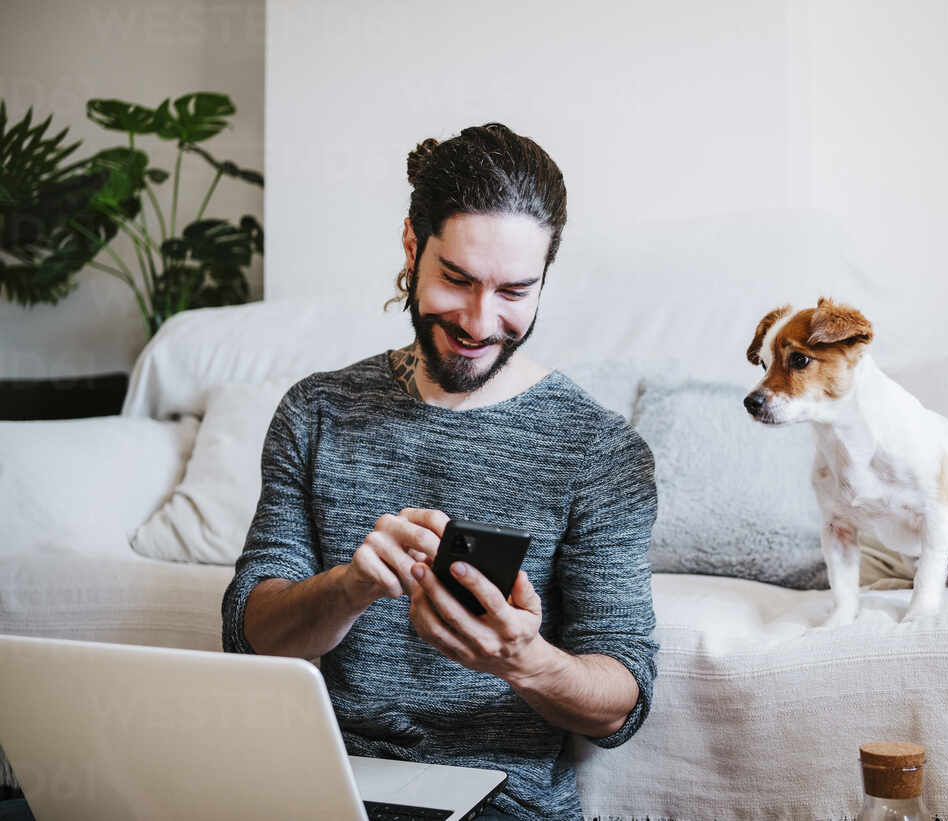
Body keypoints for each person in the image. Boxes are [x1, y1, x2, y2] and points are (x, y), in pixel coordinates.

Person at [220, 123, 659, 821]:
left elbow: (622, 698)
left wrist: (525, 658)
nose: (482, 321)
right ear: (411, 246)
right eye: (457, 279)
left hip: (501, 805)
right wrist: (350, 585)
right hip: (318, 789)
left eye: (516, 290)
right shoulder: (317, 411)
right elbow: (249, 635)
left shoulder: (600, 452)